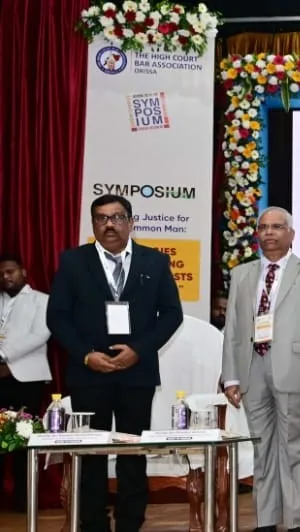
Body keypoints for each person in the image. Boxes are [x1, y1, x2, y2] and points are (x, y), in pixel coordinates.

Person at [46, 194, 184, 532]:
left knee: (132, 455)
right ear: (93, 225)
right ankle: (92, 524)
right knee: (91, 454)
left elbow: (171, 314)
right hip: (88, 373)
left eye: (117, 217)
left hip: (136, 373)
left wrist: (139, 349)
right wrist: (85, 354)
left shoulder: (154, 261)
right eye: (102, 218)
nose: (110, 224)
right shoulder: (73, 262)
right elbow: (57, 317)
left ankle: (129, 523)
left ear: (131, 222)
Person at [221, 206, 300, 532]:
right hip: (251, 369)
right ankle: (267, 520)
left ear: (291, 235)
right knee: (262, 448)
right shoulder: (242, 274)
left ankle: (296, 522)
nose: (269, 233)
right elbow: (232, 329)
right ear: (257, 234)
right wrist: (230, 376)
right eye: (264, 227)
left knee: (294, 447)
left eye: (277, 227)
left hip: (294, 370)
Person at [0, 253, 51, 510]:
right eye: (1, 274)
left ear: (23, 272)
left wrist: (4, 357)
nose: (6, 277)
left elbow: (40, 334)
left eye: (10, 271)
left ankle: (24, 499)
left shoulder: (42, 300)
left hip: (27, 379)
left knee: (23, 438)